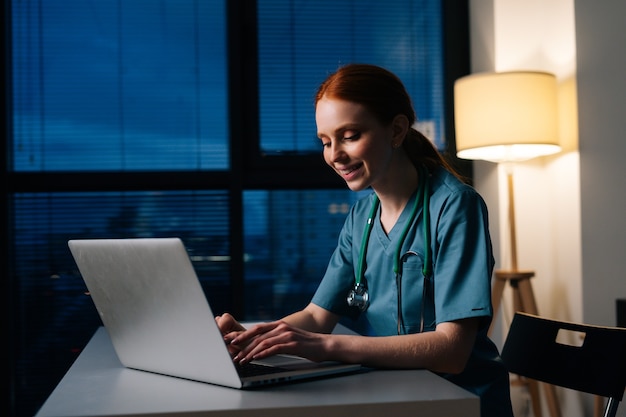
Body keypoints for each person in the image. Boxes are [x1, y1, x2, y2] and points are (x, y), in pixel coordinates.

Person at [216, 63, 514, 417]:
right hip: (398, 390)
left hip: (460, 400)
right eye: (326, 142)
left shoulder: (455, 206)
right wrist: (255, 338)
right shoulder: (361, 218)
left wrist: (328, 346)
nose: (334, 155)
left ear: (397, 130)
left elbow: (452, 350)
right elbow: (315, 317)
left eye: (350, 135)